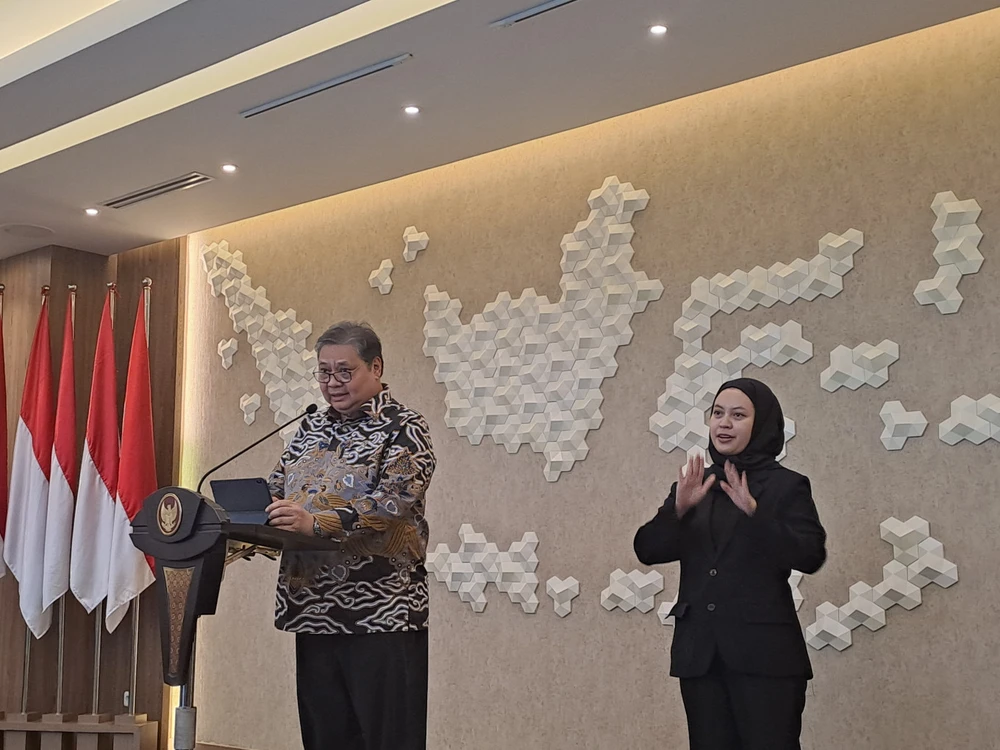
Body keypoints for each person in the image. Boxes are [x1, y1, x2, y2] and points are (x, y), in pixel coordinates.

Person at [265, 321, 436, 750]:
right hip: (313, 611)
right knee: (326, 739)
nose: (332, 383)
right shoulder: (310, 429)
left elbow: (392, 504)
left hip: (381, 612)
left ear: (375, 367)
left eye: (345, 371)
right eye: (324, 372)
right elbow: (277, 486)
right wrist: (257, 520)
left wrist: (316, 523)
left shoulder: (405, 428)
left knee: (388, 739)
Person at [634, 378, 826, 750]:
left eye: (738, 415)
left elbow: (810, 554)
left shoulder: (786, 486)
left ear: (761, 423)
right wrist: (679, 510)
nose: (724, 423)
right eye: (717, 413)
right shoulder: (695, 485)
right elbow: (647, 549)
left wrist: (756, 513)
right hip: (700, 656)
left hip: (766, 656)